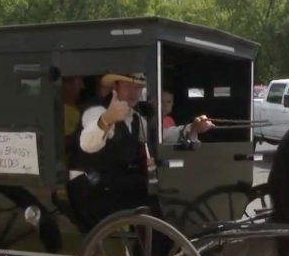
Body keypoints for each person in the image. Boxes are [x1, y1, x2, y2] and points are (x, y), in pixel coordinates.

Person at [67, 72, 215, 229]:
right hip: (91, 187)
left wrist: (192, 128)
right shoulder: (96, 111)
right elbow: (88, 144)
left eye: (138, 88)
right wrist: (107, 119)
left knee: (162, 188)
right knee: (151, 192)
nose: (133, 92)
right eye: (128, 86)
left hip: (115, 184)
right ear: (115, 87)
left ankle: (171, 238)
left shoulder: (135, 118)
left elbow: (160, 137)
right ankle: (157, 242)